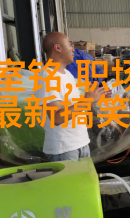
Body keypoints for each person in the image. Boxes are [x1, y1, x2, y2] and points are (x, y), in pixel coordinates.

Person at [36, 32, 106, 162]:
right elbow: (56, 117)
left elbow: (72, 107)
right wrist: (87, 101)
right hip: (64, 148)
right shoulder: (48, 77)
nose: (73, 49)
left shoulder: (66, 74)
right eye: (70, 44)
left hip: (80, 142)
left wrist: (93, 97)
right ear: (57, 47)